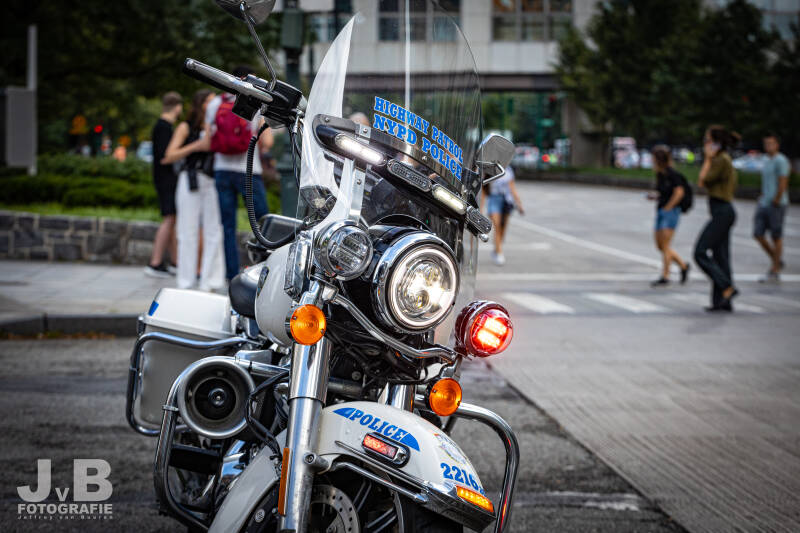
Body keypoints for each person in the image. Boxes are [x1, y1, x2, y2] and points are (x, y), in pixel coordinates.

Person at [206, 65, 274, 280]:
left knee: (228, 225)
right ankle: (266, 269)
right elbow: (266, 142)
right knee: (263, 222)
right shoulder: (255, 102)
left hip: (222, 169)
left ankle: (231, 274)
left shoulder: (216, 103)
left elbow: (210, 138)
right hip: (249, 171)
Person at [162, 89, 225, 291]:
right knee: (187, 230)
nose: (213, 104)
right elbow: (170, 155)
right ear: (200, 104)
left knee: (214, 230)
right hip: (190, 179)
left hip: (213, 180)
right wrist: (196, 145)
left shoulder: (217, 124)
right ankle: (186, 280)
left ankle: (211, 280)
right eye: (209, 101)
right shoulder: (185, 126)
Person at [694, 125, 740, 312]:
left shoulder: (721, 160)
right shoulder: (722, 159)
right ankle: (722, 301)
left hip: (723, 211)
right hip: (721, 211)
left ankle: (727, 286)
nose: (705, 144)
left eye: (707, 141)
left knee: (700, 252)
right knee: (721, 257)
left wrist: (707, 159)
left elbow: (702, 181)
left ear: (715, 143)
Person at [145, 91, 182, 278]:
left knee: (172, 219)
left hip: (165, 179)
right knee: (168, 219)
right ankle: (155, 262)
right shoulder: (163, 127)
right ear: (177, 107)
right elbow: (165, 157)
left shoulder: (163, 126)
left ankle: (175, 262)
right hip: (166, 179)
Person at [648, 146, 690, 287]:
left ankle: (665, 275)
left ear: (659, 160)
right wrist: (656, 197)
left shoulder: (673, 174)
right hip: (660, 210)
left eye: (653, 159)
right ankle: (683, 266)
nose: (651, 161)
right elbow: (663, 192)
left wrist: (668, 207)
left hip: (670, 212)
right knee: (660, 245)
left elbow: (679, 192)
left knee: (665, 245)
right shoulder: (660, 175)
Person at [753, 132, 790, 283]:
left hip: (777, 204)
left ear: (777, 145)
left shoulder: (781, 160)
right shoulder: (766, 160)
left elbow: (783, 181)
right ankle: (777, 259)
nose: (768, 146)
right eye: (766, 143)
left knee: (776, 235)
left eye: (771, 143)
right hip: (764, 203)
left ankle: (775, 268)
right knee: (758, 234)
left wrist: (776, 199)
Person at [483, 164, 525, 266]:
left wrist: (519, 204)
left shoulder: (509, 170)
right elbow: (484, 188)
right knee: (497, 226)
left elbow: (512, 188)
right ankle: (499, 252)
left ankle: (497, 248)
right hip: (493, 199)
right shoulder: (490, 168)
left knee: (502, 228)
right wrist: (481, 206)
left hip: (506, 200)